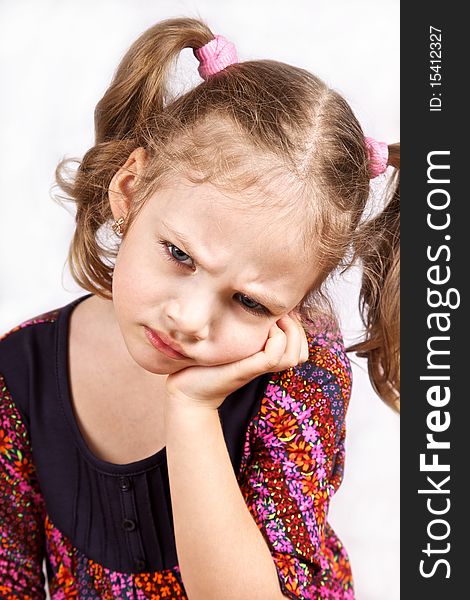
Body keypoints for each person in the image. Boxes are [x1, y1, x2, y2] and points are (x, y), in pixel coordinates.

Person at [0, 16, 399, 599]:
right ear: (129, 189)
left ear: (298, 307)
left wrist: (191, 410)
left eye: (249, 302)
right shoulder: (21, 372)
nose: (190, 320)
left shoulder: (299, 378)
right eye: (180, 255)